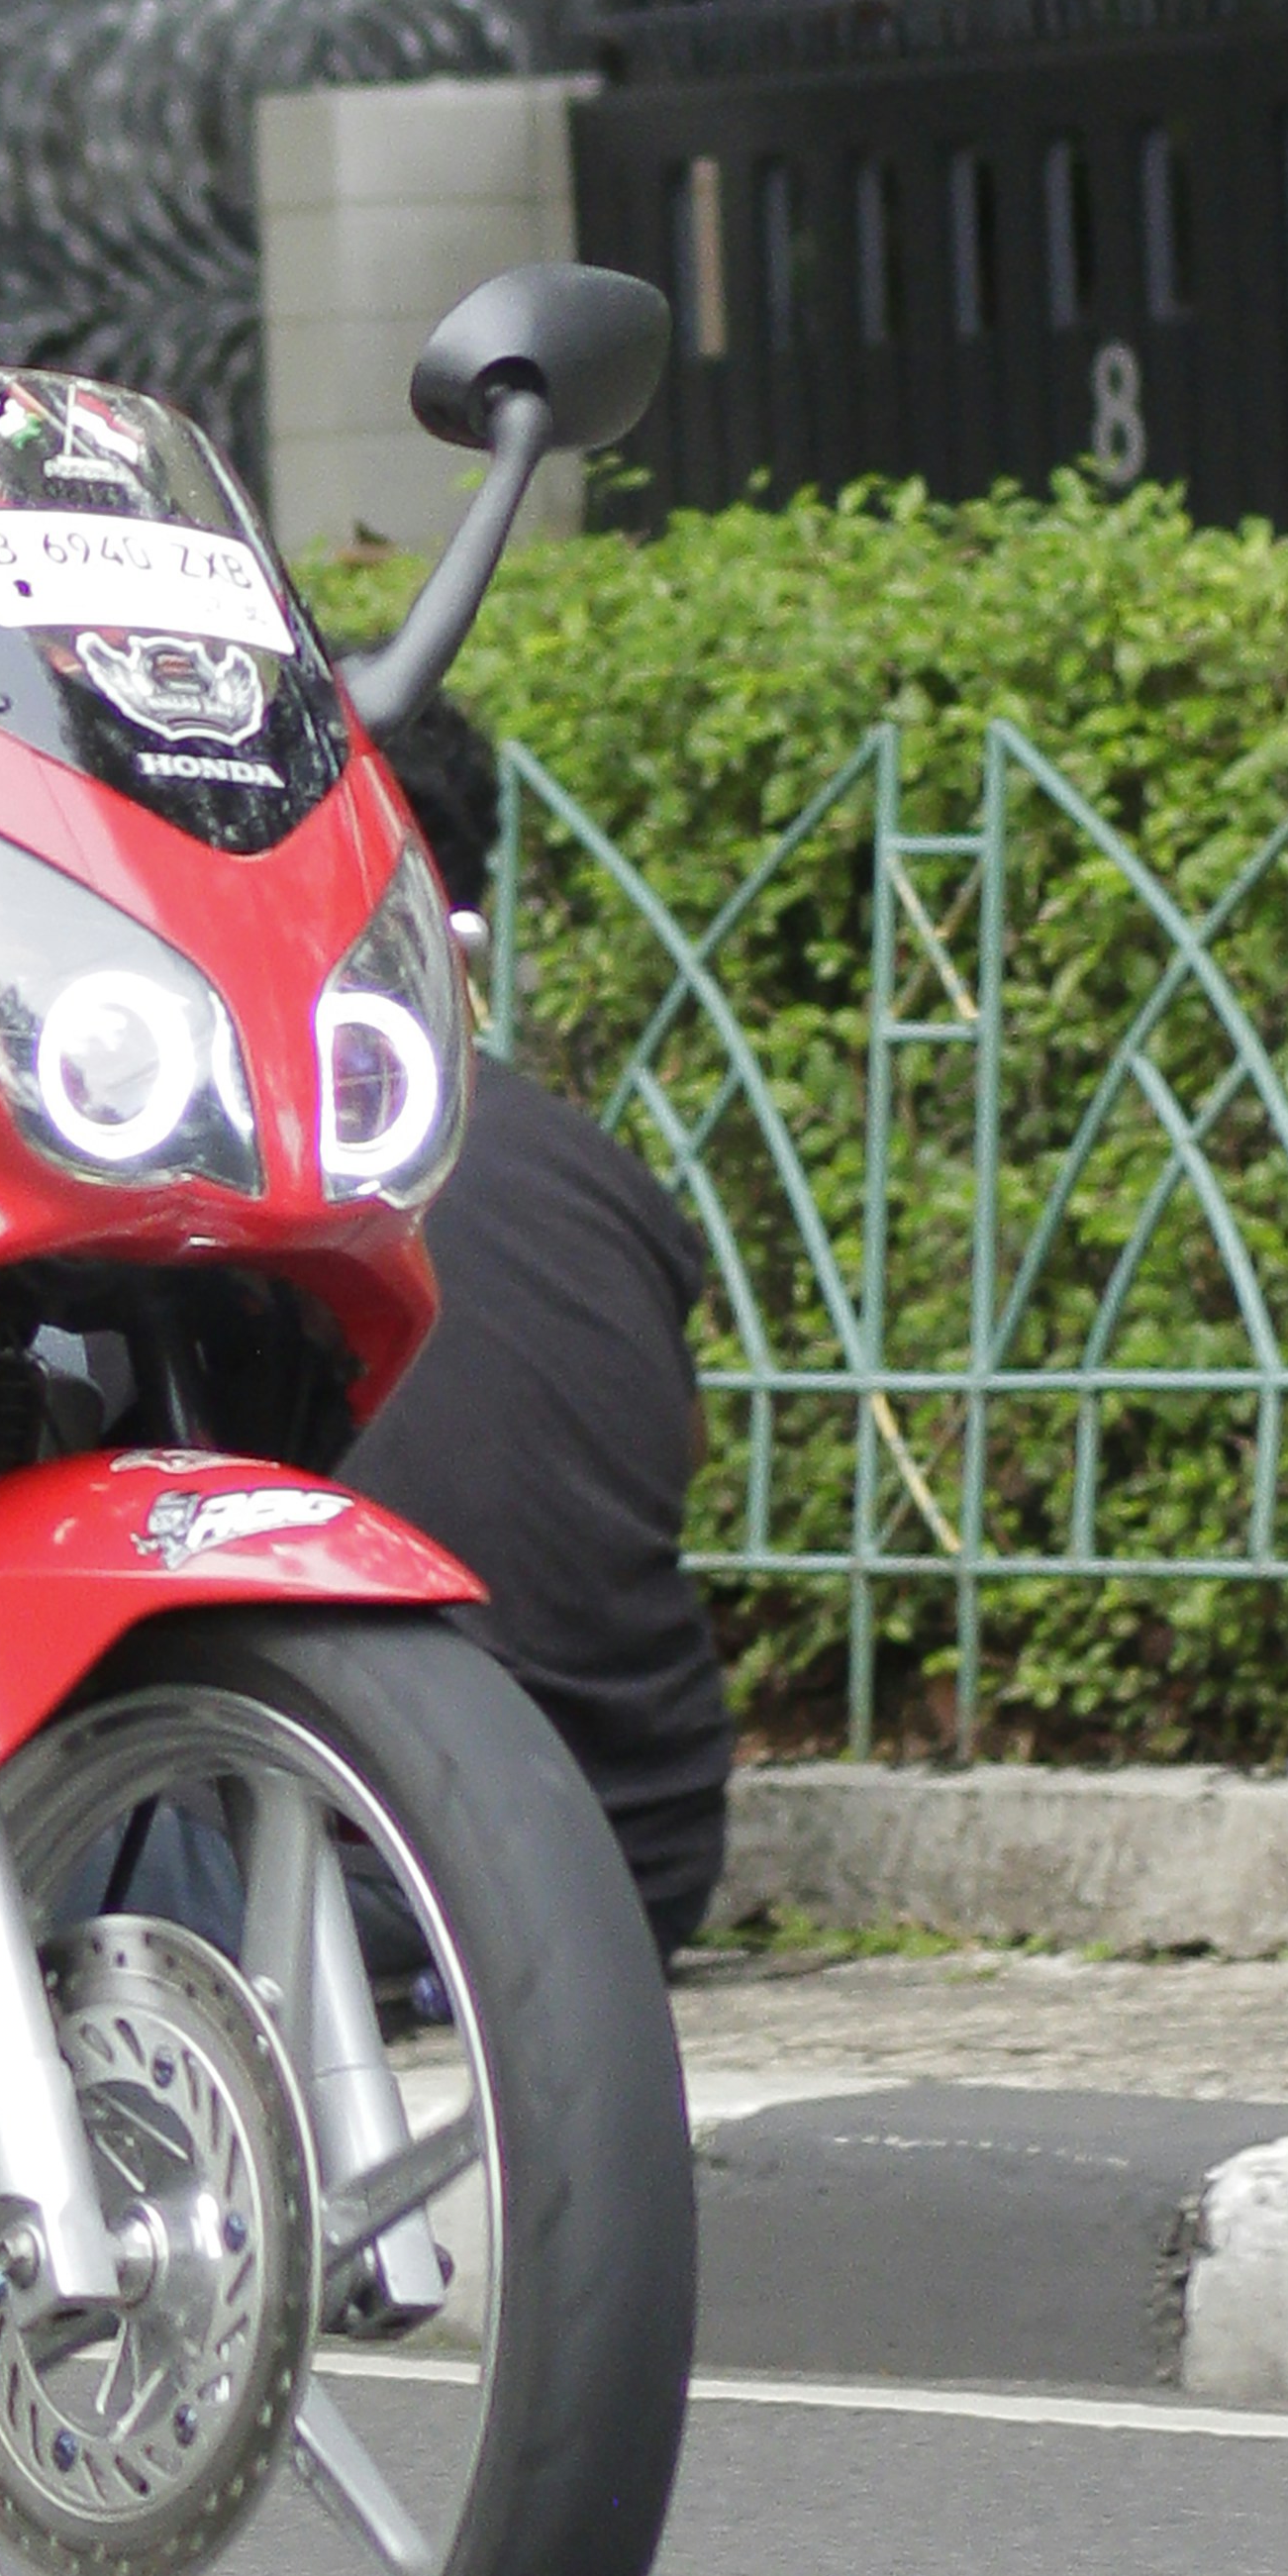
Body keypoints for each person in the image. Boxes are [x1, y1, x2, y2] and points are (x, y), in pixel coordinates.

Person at [334, 695, 740, 1957]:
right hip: (639, 1860)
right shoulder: (593, 1169)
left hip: (354, 1870)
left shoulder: (225, 1170)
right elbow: (677, 1457)